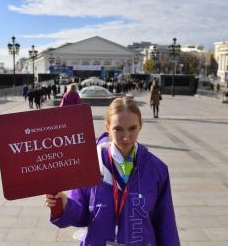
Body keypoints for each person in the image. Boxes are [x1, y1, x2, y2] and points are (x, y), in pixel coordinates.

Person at [46, 97, 180, 245]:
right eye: (118, 129)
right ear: (107, 127)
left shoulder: (156, 169)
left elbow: (166, 224)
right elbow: (82, 214)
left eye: (132, 128)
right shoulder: (90, 165)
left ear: (140, 126)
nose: (126, 137)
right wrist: (65, 205)